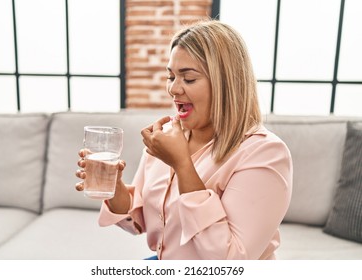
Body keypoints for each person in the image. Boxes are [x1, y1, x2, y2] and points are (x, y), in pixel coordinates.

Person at [75, 19, 293, 260]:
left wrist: (182, 165)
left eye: (188, 79)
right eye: (171, 77)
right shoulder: (168, 136)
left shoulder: (265, 154)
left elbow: (230, 262)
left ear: (226, 84)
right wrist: (115, 187)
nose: (173, 89)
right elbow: (142, 221)